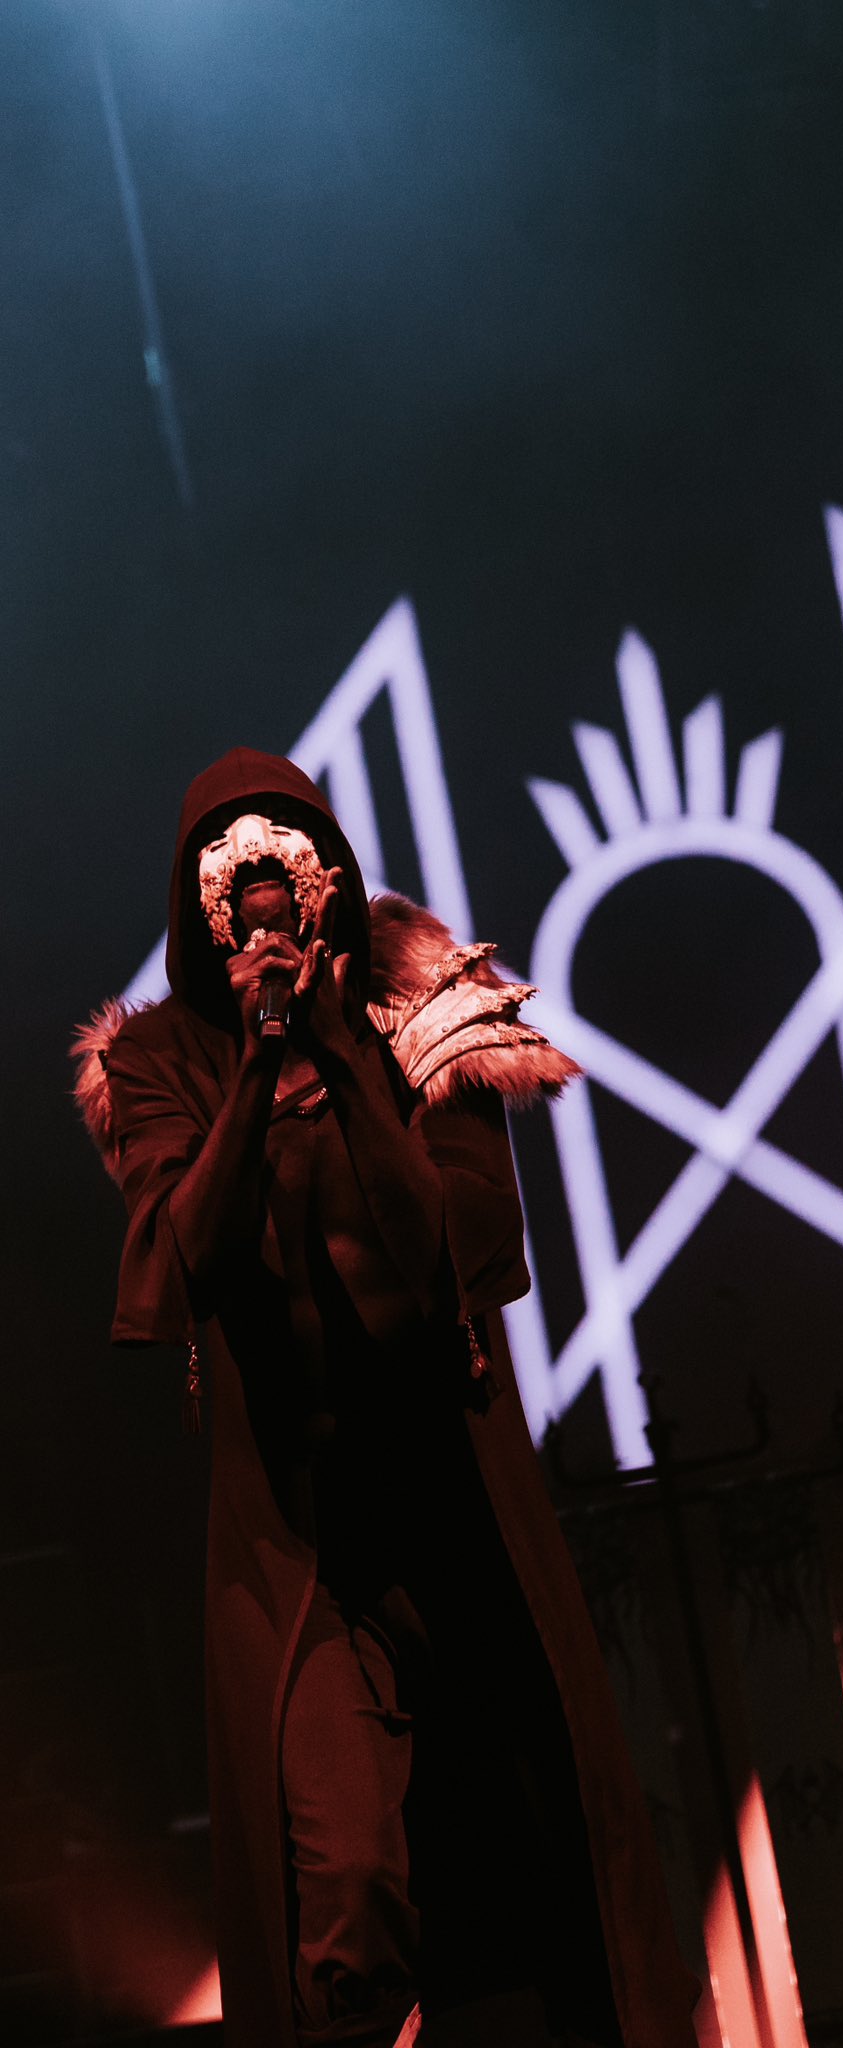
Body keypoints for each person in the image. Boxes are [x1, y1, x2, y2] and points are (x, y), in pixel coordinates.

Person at [73, 748, 697, 2048]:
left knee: (530, 1891)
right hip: (306, 1557)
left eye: (284, 877)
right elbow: (184, 1264)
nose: (263, 911)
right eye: (234, 887)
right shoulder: (161, 1063)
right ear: (202, 906)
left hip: (453, 1524)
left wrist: (347, 1059)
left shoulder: (427, 1021)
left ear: (328, 886)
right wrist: (262, 1058)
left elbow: (449, 1253)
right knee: (346, 1897)